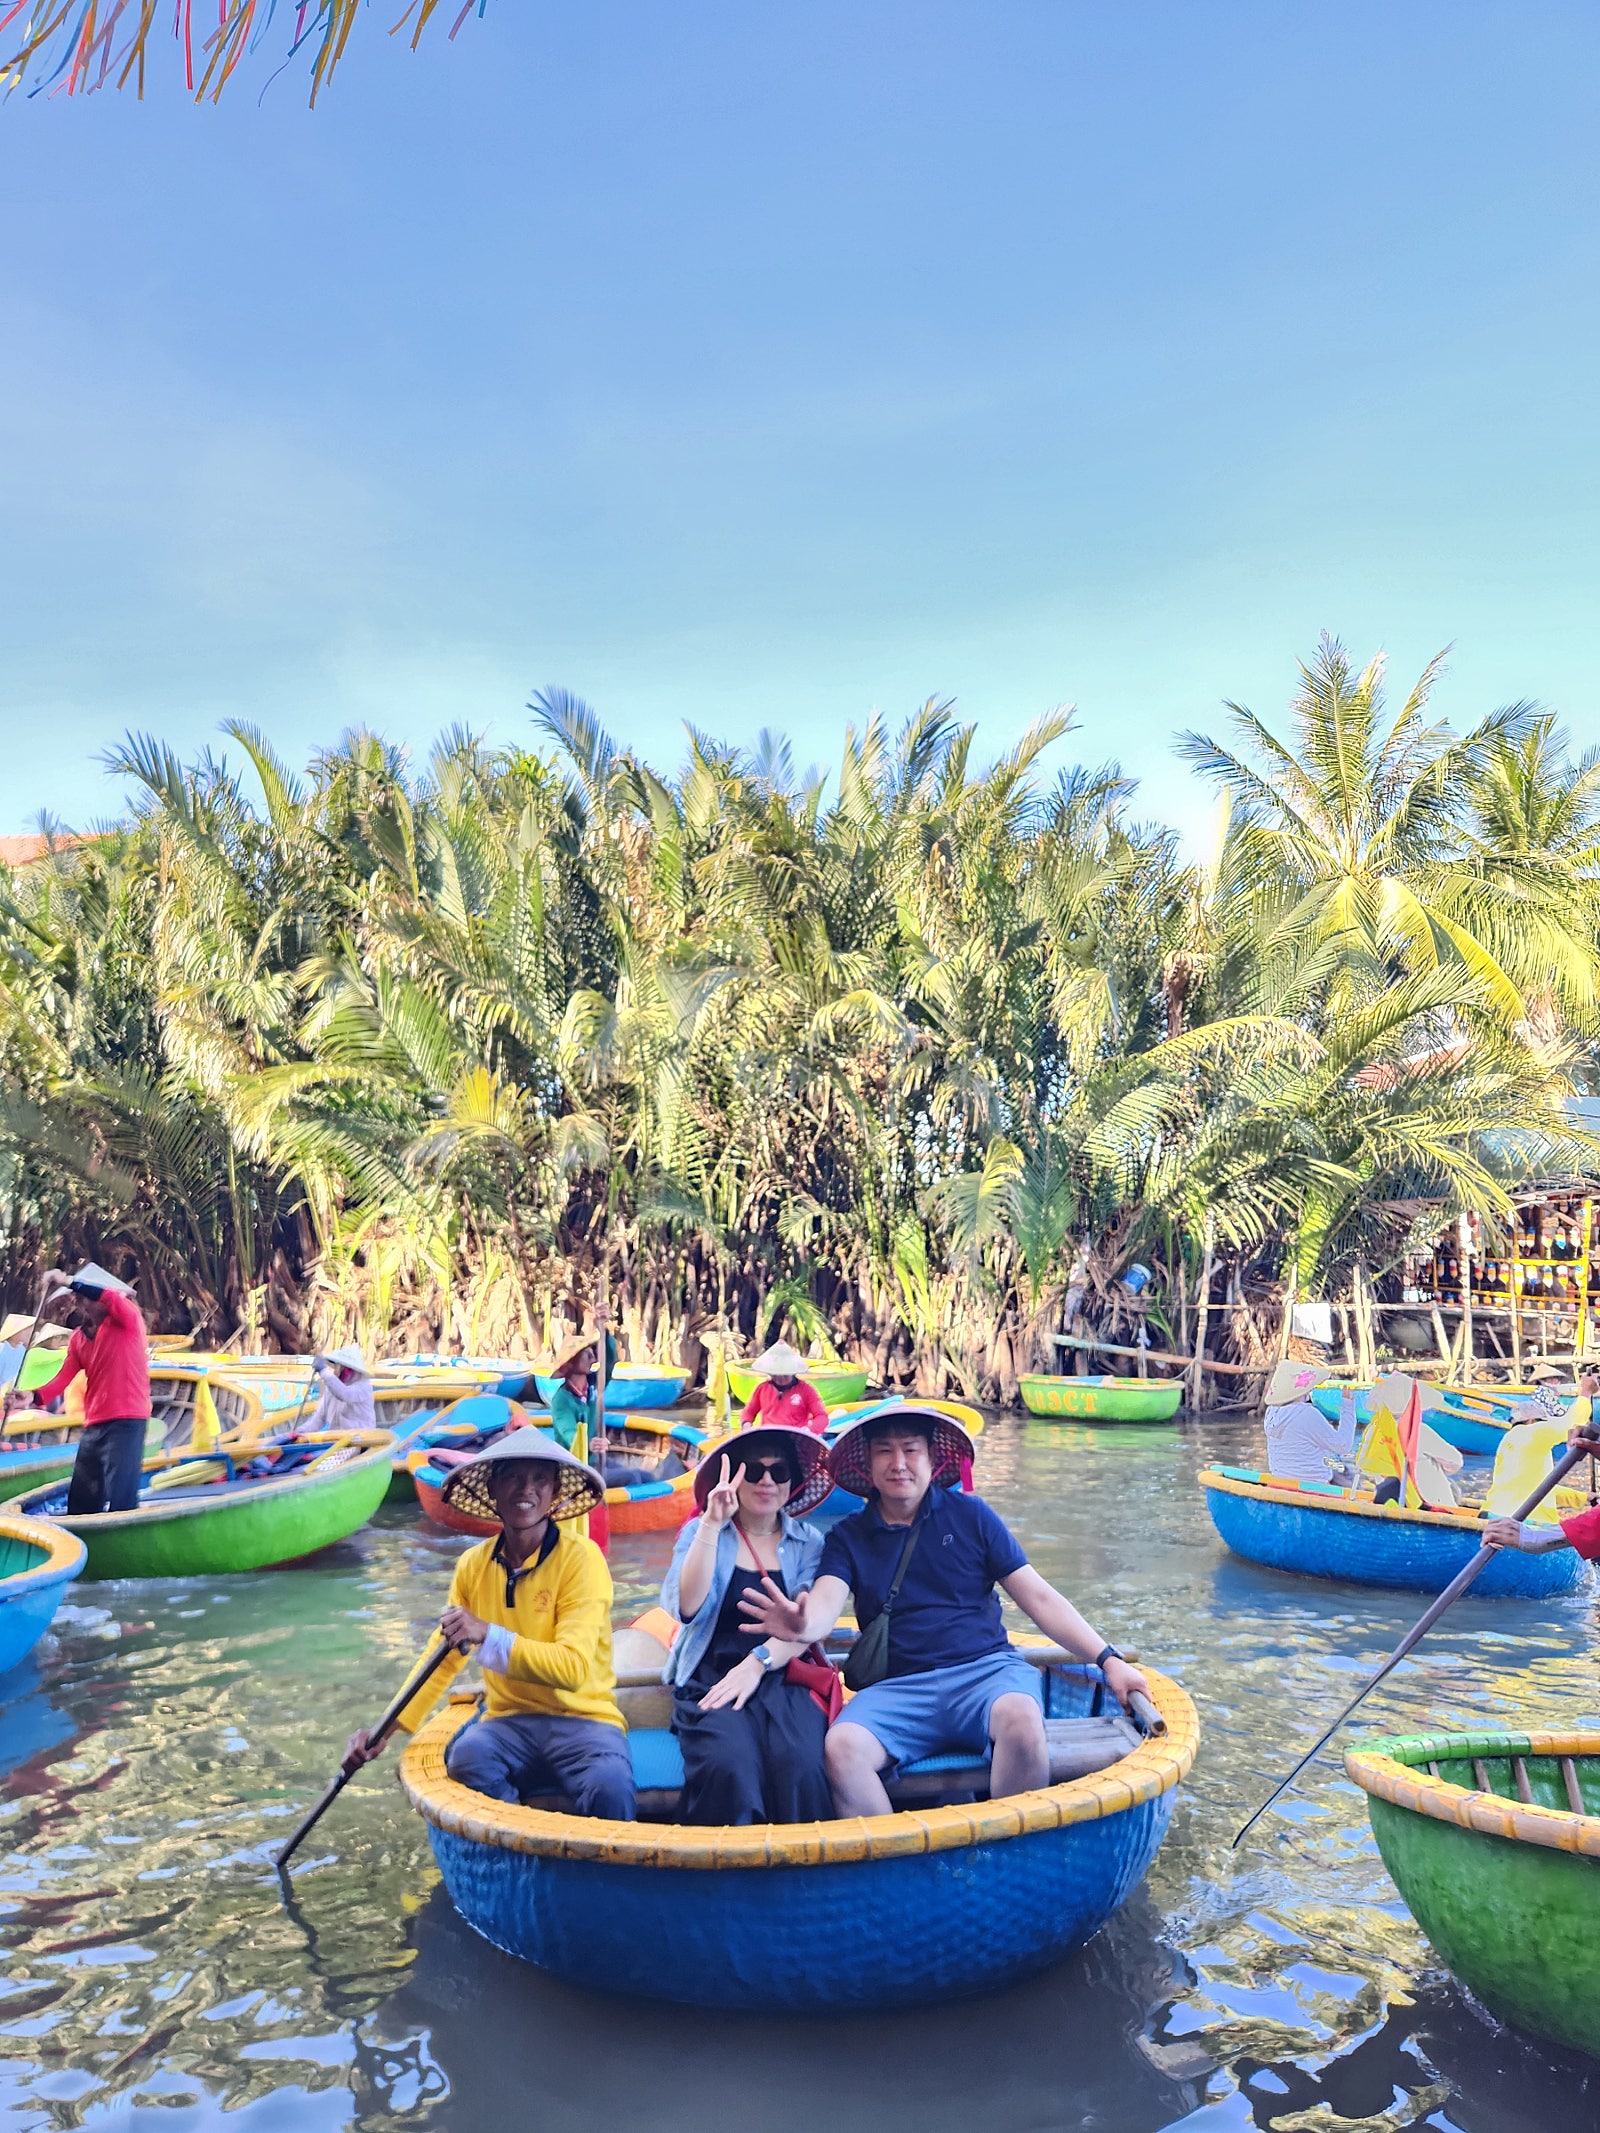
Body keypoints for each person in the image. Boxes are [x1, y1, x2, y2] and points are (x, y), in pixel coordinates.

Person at [738, 1404, 1150, 1816]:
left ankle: (1005, 1856)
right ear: (867, 1463)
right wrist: (802, 1624)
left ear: (932, 1459)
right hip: (897, 1688)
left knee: (1022, 1718)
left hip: (986, 1673)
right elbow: (826, 1603)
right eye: (884, 1451)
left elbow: (1039, 1598)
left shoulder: (972, 1516)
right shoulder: (849, 1536)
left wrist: (1108, 1660)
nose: (898, 1463)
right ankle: (892, 1867)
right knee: (843, 1748)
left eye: (910, 1450)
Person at [346, 1426, 635, 1818]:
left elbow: (573, 1669)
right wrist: (384, 1731)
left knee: (610, 1787)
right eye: (513, 1477)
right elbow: (443, 1655)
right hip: (508, 1721)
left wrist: (488, 1633)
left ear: (553, 1493)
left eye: (538, 1479)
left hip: (584, 1719)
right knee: (468, 1759)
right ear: (493, 1490)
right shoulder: (473, 1565)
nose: (525, 1490)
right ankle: (519, 1843)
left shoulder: (580, 1559)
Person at [659, 1426, 835, 1825]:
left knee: (802, 1764)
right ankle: (727, 1876)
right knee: (730, 1766)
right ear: (734, 1477)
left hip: (784, 1673)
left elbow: (808, 1628)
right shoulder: (702, 1531)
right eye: (753, 1470)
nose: (767, 1480)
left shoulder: (809, 1543)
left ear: (793, 1478)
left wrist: (758, 1663)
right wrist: (710, 1524)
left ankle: (803, 1872)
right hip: (711, 1675)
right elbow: (686, 1607)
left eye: (779, 1470)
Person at [1, 1263, 150, 1515]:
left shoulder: (127, 1320)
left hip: (127, 1420)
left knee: (121, 1497)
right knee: (82, 1498)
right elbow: (62, 1378)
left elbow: (107, 1296)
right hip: (95, 1422)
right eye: (77, 1299)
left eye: (84, 1298)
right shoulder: (79, 1339)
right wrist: (31, 1397)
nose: (80, 1303)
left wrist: (66, 1279)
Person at [1261, 1363, 1359, 1486]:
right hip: (1312, 1486)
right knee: (1349, 1478)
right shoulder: (1306, 1413)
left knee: (1338, 1470)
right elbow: (1343, 1446)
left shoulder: (1270, 1412)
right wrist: (1348, 1406)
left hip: (1280, 1482)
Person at [739, 1340, 829, 1434]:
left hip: (796, 1438)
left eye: (784, 1374)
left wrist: (809, 1430)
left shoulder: (806, 1390)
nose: (780, 1378)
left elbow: (821, 1416)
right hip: (768, 1439)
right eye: (776, 1374)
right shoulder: (762, 1389)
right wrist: (746, 1425)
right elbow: (748, 1412)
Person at [306, 1344, 376, 1431]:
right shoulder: (331, 1389)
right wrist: (299, 1433)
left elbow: (345, 1394)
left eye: (338, 1366)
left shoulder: (363, 1386)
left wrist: (323, 1371)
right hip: (337, 1440)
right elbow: (319, 1419)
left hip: (361, 1440)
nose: (335, 1370)